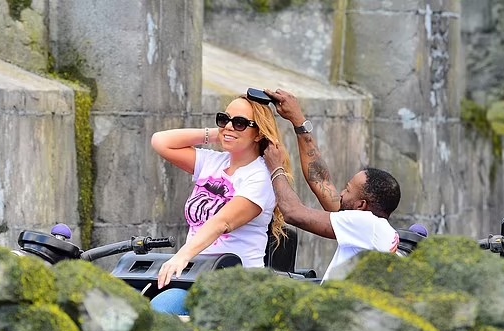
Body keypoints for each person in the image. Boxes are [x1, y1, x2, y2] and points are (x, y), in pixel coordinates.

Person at [150, 93, 293, 314]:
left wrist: (182, 255)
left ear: (258, 134)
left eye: (240, 123)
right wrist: (221, 134)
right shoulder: (213, 162)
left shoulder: (260, 176)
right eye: (224, 119)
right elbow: (160, 141)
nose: (229, 126)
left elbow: (222, 222)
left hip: (237, 284)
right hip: (196, 277)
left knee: (162, 309)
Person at [262, 88, 400, 281]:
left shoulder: (366, 223)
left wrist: (276, 166)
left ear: (362, 205)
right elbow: (320, 180)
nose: (341, 193)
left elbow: (293, 213)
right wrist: (299, 121)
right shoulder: (368, 226)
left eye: (348, 190)